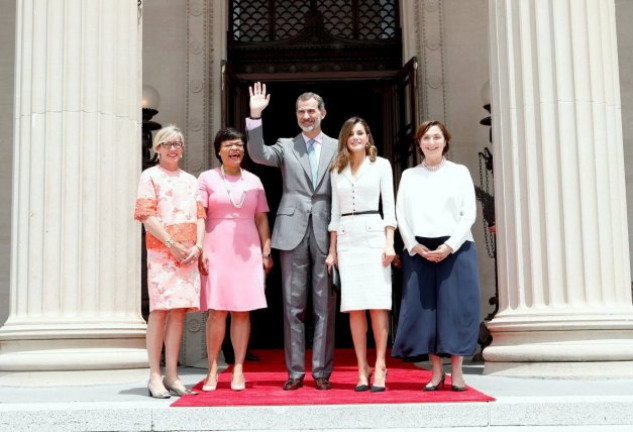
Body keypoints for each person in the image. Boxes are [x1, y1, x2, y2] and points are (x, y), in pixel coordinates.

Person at [246, 82, 338, 390]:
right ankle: (295, 372)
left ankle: (322, 373)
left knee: (324, 305)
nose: (306, 115)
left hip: (327, 229)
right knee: (292, 305)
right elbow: (258, 154)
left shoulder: (339, 147)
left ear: (323, 113)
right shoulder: (286, 145)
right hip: (291, 230)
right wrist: (255, 117)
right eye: (301, 111)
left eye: (312, 110)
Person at [392, 120, 481, 392]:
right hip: (420, 251)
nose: (431, 142)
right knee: (427, 313)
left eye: (436, 137)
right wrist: (413, 246)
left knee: (455, 312)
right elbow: (401, 215)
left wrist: (449, 246)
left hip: (456, 248)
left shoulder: (459, 172)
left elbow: (469, 213)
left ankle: (457, 372)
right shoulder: (409, 175)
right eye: (426, 138)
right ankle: (436, 372)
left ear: (445, 141)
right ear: (419, 143)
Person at [198, 127, 273, 392]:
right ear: (218, 149)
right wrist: (201, 247)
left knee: (242, 311)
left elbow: (261, 217)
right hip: (216, 247)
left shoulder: (254, 180)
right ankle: (212, 369)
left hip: (248, 249)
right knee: (217, 311)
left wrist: (266, 249)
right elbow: (200, 215)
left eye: (239, 144)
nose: (235, 148)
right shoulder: (206, 178)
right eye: (229, 144)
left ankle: (239, 368)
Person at [325, 117, 396, 392]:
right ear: (345, 138)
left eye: (360, 132)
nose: (355, 137)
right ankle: (361, 368)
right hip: (346, 239)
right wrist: (332, 251)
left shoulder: (382, 165)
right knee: (354, 307)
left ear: (368, 137)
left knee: (378, 303)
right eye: (351, 133)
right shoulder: (337, 169)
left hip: (374, 235)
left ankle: (379, 365)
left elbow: (388, 207)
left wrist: (389, 243)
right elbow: (333, 214)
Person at [134, 125, 205, 398]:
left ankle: (173, 376)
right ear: (158, 148)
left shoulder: (190, 179)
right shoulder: (150, 176)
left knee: (178, 313)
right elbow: (146, 215)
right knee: (160, 311)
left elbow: (200, 215)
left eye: (177, 144)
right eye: (167, 144)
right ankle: (154, 375)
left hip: (188, 253)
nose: (173, 148)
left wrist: (197, 247)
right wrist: (173, 245)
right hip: (164, 251)